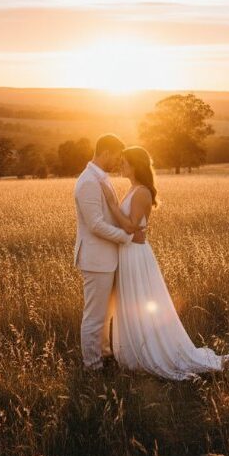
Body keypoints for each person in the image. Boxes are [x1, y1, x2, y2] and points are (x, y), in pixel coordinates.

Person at [99, 146, 229, 380]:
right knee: (132, 302)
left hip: (135, 254)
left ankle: (153, 353)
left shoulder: (141, 191)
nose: (120, 165)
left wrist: (112, 205)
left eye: (124, 162)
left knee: (140, 300)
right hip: (128, 252)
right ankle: (134, 351)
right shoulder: (133, 189)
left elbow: (131, 227)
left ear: (135, 165)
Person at [73, 134, 146, 371]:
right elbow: (95, 224)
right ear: (105, 153)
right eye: (116, 155)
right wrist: (126, 237)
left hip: (109, 258)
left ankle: (104, 355)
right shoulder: (88, 182)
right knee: (94, 317)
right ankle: (92, 366)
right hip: (96, 259)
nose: (118, 160)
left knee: (105, 315)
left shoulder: (100, 178)